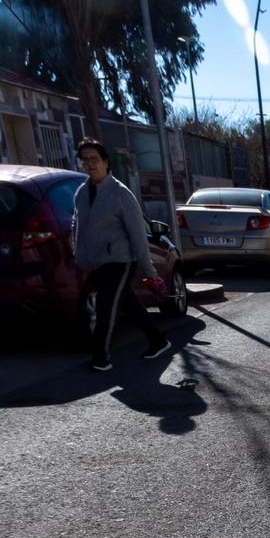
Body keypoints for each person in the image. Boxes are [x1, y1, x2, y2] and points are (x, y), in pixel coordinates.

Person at [72, 139, 171, 370]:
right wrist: (80, 256)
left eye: (94, 159)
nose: (90, 164)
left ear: (106, 162)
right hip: (96, 262)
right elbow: (77, 226)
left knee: (106, 306)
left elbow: (138, 234)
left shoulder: (120, 193)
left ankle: (100, 358)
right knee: (128, 302)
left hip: (120, 260)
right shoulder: (81, 193)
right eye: (85, 160)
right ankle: (158, 341)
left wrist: (149, 271)